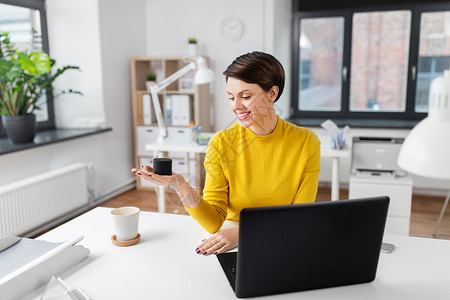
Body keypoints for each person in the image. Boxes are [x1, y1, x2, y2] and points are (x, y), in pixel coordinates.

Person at [131, 51, 321, 256]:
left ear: (272, 94)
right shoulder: (221, 143)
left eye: (245, 96)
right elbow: (213, 222)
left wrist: (241, 233)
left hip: (281, 237)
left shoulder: (306, 142)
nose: (236, 106)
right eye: (231, 97)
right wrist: (180, 184)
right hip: (231, 240)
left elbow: (298, 216)